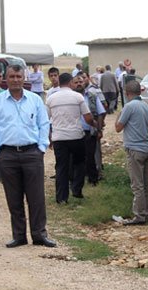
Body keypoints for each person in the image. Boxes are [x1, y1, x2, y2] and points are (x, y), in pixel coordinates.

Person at [0, 64, 56, 248]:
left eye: (18, 76)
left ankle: (39, 234)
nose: (15, 80)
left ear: (24, 78)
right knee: (13, 197)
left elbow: (44, 124)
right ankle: (19, 236)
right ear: (5, 79)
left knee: (36, 197)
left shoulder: (34, 100)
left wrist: (42, 147)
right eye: (12, 76)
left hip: (32, 153)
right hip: (7, 155)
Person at [46, 73, 93, 204]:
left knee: (61, 167)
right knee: (79, 163)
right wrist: (96, 125)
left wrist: (49, 137)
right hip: (76, 136)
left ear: (59, 82)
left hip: (59, 138)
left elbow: (46, 119)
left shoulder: (51, 98)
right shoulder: (78, 97)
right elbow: (88, 117)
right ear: (71, 82)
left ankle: (61, 198)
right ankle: (77, 190)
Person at [114, 80, 148, 225]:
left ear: (126, 93)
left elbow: (118, 128)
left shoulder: (129, 106)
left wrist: (119, 115)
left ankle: (139, 215)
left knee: (137, 185)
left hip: (135, 149)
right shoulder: (146, 106)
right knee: (147, 184)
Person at [75, 72, 106, 186]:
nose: (79, 84)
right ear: (72, 84)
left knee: (90, 156)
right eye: (76, 82)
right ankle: (77, 180)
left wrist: (99, 129)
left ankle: (93, 179)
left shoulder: (92, 96)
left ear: (85, 83)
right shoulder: (71, 98)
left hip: (89, 131)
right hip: (74, 132)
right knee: (76, 157)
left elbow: (100, 112)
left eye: (81, 81)